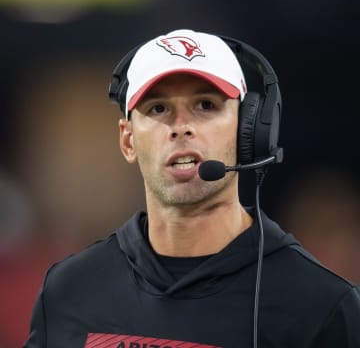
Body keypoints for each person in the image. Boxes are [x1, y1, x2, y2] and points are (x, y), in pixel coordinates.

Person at [24, 29, 360, 348]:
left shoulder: (322, 307)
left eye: (205, 105)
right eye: (158, 108)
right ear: (128, 141)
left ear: (248, 132)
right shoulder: (69, 290)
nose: (181, 127)